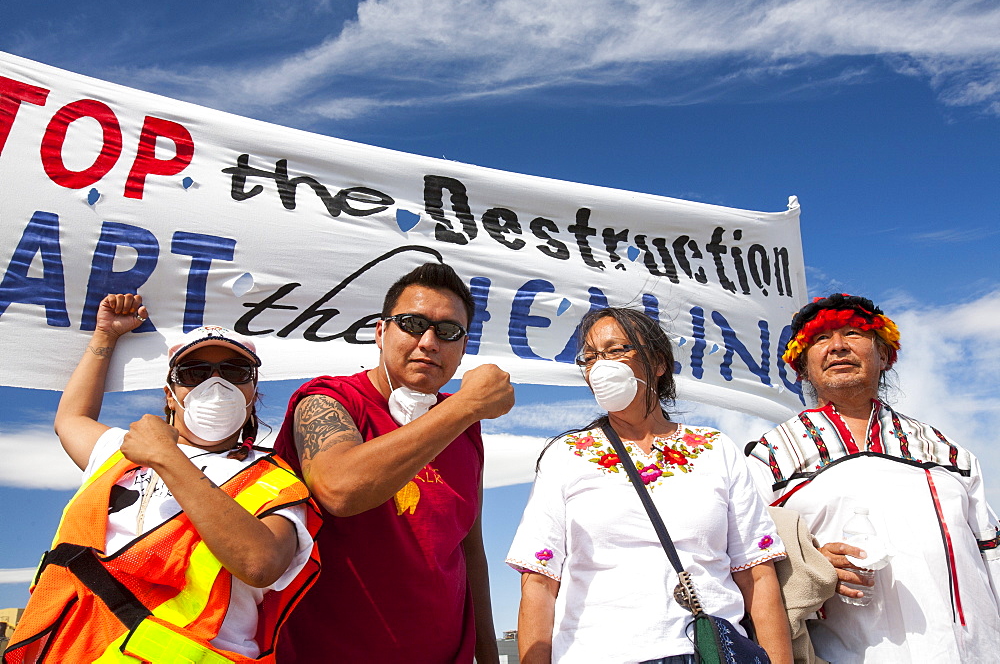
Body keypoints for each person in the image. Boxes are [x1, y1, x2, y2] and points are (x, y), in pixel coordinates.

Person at [3, 294, 320, 664]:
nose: (216, 384)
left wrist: (167, 457)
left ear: (253, 392)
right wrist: (105, 337)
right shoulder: (120, 453)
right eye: (195, 373)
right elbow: (71, 419)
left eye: (234, 372)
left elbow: (261, 564)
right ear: (170, 395)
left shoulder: (275, 481)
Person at [506, 306, 792, 664]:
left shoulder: (716, 448)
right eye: (591, 357)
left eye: (616, 350)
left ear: (658, 363)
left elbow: (757, 575)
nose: (601, 365)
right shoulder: (565, 456)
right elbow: (539, 582)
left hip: (709, 651)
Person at [272, 262, 515, 663]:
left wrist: (488, 657)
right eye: (412, 324)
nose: (429, 342)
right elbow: (340, 489)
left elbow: (470, 551)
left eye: (448, 331)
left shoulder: (466, 428)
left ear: (463, 346)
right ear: (381, 332)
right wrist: (467, 406)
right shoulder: (327, 400)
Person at [746, 293, 1000, 663]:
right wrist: (810, 564)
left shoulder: (944, 450)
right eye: (820, 339)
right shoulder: (772, 454)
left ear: (884, 355)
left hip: (979, 650)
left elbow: (990, 553)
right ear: (802, 366)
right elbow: (749, 561)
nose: (837, 347)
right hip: (849, 653)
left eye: (853, 333)